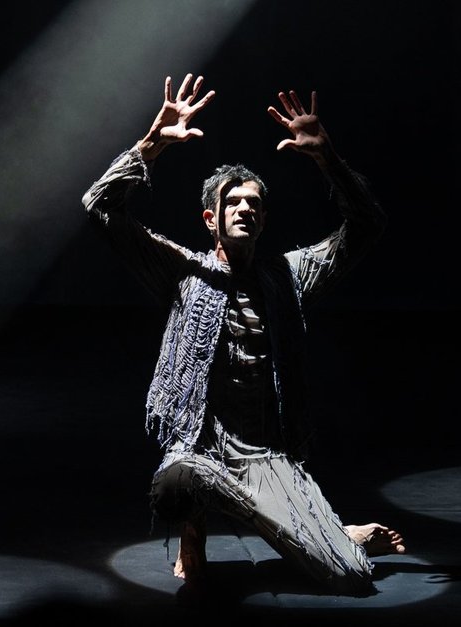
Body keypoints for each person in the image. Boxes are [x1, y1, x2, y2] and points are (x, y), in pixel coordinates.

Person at [82, 73, 404, 595]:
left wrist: (328, 159)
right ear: (211, 218)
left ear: (263, 219)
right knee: (175, 484)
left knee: (351, 576)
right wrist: (152, 144)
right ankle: (194, 534)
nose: (245, 208)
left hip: (264, 455)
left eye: (254, 203)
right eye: (233, 202)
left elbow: (367, 226)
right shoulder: (184, 271)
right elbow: (99, 206)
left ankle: (337, 535)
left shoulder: (288, 276)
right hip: (201, 446)